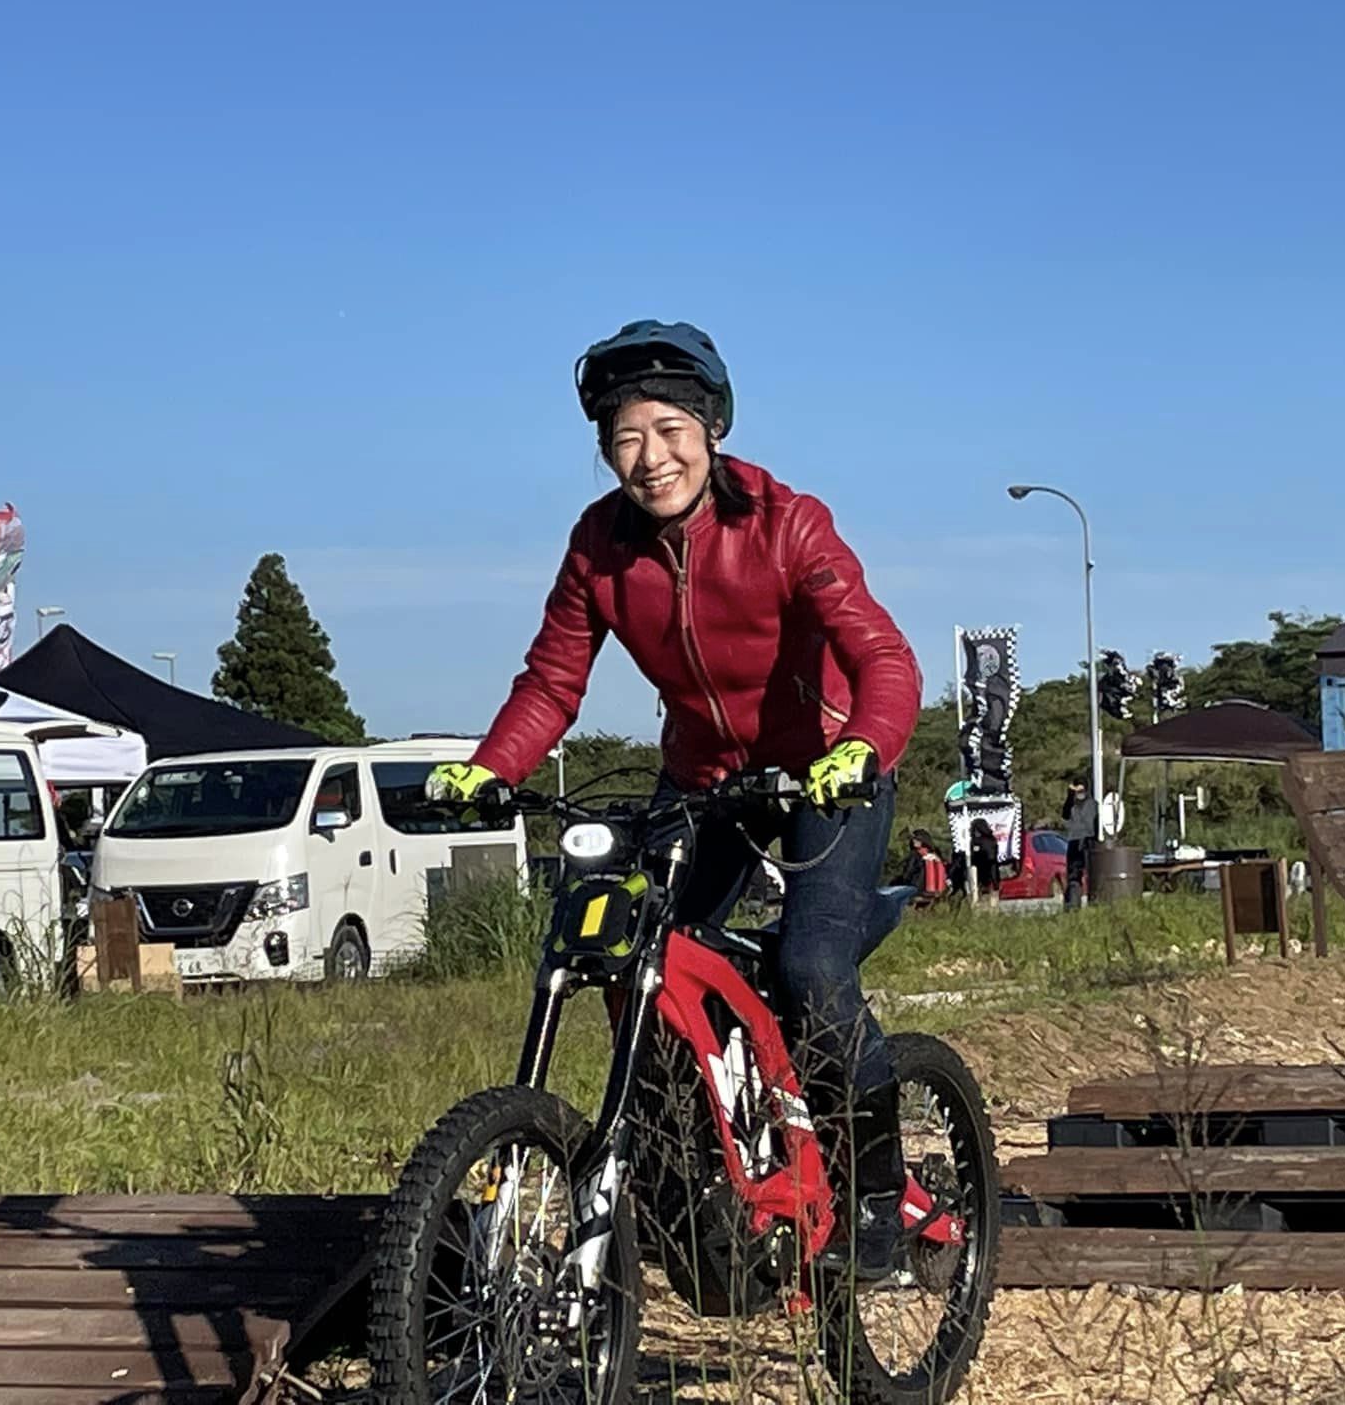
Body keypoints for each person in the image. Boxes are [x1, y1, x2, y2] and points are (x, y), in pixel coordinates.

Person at [425, 319, 922, 1278]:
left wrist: (863, 745)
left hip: (824, 770)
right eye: (624, 439)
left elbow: (882, 657)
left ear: (712, 428)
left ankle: (873, 1195)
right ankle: (682, 1179)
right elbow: (551, 681)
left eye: (669, 431)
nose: (649, 459)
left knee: (815, 967)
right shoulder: (599, 547)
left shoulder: (788, 522)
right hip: (704, 783)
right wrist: (496, 766)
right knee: (628, 956)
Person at [1063, 780, 1100, 908]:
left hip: (1089, 842)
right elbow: (1065, 815)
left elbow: (1098, 824)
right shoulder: (1071, 805)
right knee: (1074, 877)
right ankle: (1073, 905)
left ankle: (1095, 902)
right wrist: (1070, 795)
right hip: (1074, 842)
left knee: (1094, 874)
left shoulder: (1093, 805)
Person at [899, 828, 949, 905]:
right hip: (935, 889)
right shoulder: (935, 854)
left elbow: (908, 871)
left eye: (916, 840)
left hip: (916, 888)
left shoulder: (915, 854)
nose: (914, 841)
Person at [968, 815, 1000, 898]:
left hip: (981, 873)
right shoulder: (992, 839)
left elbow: (977, 856)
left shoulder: (978, 841)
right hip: (992, 873)